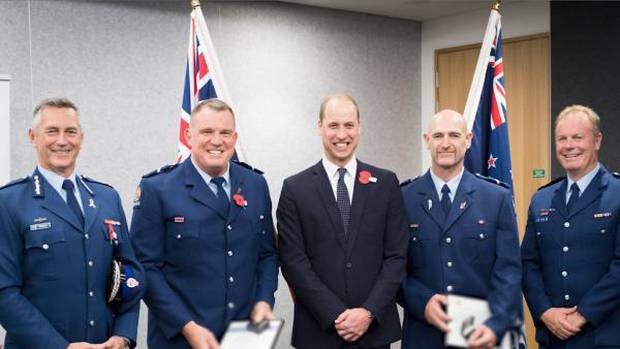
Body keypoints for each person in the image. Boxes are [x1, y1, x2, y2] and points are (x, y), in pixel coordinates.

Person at [130, 98, 278, 349]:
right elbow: (146, 267)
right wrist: (186, 326)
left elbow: (267, 254)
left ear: (235, 137)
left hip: (244, 337)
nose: (217, 141)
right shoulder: (158, 188)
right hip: (181, 338)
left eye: (225, 133)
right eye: (207, 132)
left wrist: (264, 300)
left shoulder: (255, 184)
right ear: (189, 135)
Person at [0, 97, 144, 349]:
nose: (62, 141)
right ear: (33, 137)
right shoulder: (9, 202)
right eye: (52, 131)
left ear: (81, 139)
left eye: (71, 132)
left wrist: (123, 336)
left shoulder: (106, 198)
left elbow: (131, 275)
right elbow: (4, 292)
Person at [277, 94, 408, 349]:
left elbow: (397, 256)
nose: (341, 134)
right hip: (319, 331)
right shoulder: (295, 189)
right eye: (333, 125)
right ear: (319, 127)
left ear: (359, 127)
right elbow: (293, 262)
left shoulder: (385, 184)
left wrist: (368, 312)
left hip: (373, 332)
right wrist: (336, 314)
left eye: (348, 125)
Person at [400, 109, 522, 349]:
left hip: (481, 334)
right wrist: (421, 301)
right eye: (438, 136)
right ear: (427, 140)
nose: (445, 144)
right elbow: (393, 268)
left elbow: (508, 272)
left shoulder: (496, 197)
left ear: (468, 140)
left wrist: (496, 325)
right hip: (423, 335)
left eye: (454, 135)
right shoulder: (403, 197)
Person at [521, 105, 620, 349]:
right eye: (562, 139)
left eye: (577, 137)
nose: (569, 145)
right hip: (553, 337)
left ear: (597, 141)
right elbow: (528, 263)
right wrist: (544, 312)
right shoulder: (542, 199)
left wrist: (582, 314)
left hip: (604, 335)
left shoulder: (617, 194)